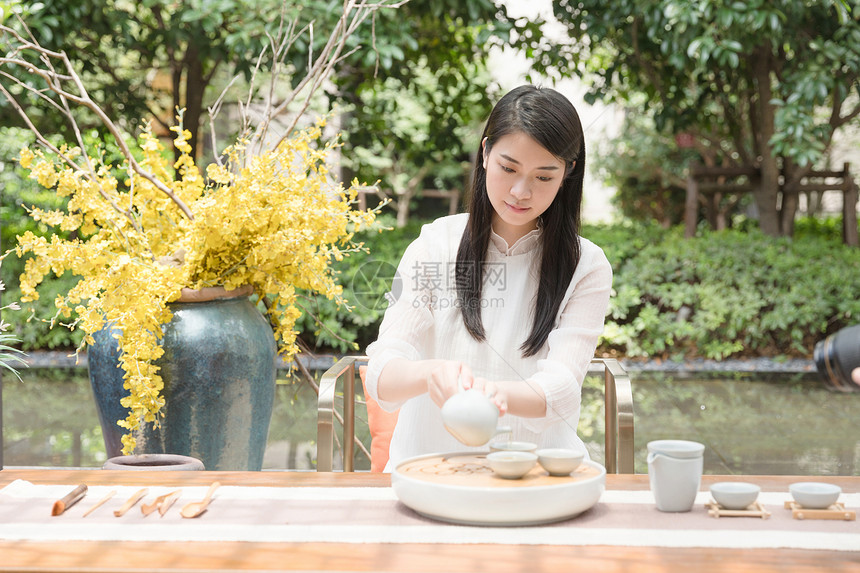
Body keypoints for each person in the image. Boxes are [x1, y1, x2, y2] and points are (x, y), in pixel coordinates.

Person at [364, 85, 613, 471]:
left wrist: (488, 393)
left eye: (544, 177)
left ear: (568, 173)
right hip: (429, 474)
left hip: (536, 478)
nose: (520, 191)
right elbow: (383, 373)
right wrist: (432, 373)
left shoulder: (587, 266)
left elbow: (562, 391)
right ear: (484, 154)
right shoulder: (435, 246)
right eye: (508, 168)